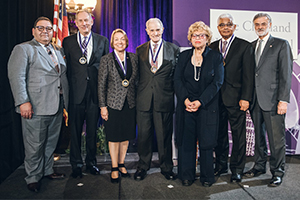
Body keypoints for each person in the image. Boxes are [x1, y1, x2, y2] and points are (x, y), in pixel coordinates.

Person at [7, 17, 69, 192]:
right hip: (35, 106)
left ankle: (47, 170)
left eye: (48, 28)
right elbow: (17, 77)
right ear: (33, 31)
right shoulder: (23, 49)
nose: (45, 31)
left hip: (57, 105)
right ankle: (33, 177)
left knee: (50, 143)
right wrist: (23, 102)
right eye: (40, 28)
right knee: (34, 145)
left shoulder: (57, 49)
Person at [244, 13, 293, 187]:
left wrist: (283, 100)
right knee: (258, 138)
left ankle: (278, 172)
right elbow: (251, 75)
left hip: (273, 101)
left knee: (276, 139)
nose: (260, 26)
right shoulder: (251, 46)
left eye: (263, 23)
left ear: (270, 24)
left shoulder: (281, 44)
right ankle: (258, 166)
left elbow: (286, 75)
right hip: (256, 100)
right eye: (257, 24)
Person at [174, 21, 224, 187]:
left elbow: (217, 83)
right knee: (186, 142)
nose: (198, 38)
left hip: (207, 107)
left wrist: (200, 101)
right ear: (190, 38)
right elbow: (177, 80)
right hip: (186, 106)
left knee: (206, 143)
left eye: (202, 35)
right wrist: (186, 100)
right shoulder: (183, 56)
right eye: (195, 35)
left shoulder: (216, 57)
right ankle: (187, 175)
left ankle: (207, 177)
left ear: (207, 38)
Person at [62, 9, 109, 178]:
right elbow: (65, 70)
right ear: (76, 23)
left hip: (95, 94)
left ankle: (91, 163)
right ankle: (76, 164)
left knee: (92, 130)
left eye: (86, 20)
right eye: (80, 21)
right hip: (76, 93)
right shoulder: (67, 42)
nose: (84, 24)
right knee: (74, 131)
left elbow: (105, 69)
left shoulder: (102, 41)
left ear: (92, 22)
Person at [209, 14, 254, 182]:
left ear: (234, 27)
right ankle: (220, 166)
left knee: (238, 136)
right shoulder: (212, 46)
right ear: (218, 27)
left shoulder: (244, 46)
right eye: (222, 25)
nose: (225, 27)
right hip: (216, 99)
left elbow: (248, 75)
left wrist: (246, 98)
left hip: (237, 99)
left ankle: (236, 169)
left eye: (229, 24)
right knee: (219, 135)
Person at [134, 18, 180, 181]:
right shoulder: (139, 50)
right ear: (147, 31)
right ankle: (143, 166)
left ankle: (166, 167)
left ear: (163, 30)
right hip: (144, 99)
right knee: (144, 136)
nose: (155, 33)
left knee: (164, 136)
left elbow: (177, 77)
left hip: (164, 99)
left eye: (157, 30)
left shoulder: (173, 49)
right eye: (151, 30)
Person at [98, 29, 138, 183]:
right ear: (112, 42)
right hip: (113, 104)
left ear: (126, 41)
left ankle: (122, 164)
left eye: (122, 39)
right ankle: (114, 167)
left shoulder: (133, 58)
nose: (120, 42)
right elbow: (101, 85)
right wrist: (103, 106)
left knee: (126, 136)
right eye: (116, 39)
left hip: (130, 103)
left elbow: (136, 81)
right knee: (114, 137)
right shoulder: (106, 60)